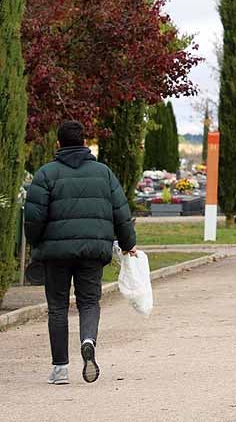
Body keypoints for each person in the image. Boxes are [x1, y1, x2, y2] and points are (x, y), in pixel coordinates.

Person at [24, 120, 137, 385]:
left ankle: (60, 369)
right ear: (85, 143)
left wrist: (35, 243)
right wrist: (127, 243)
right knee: (88, 302)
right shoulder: (104, 173)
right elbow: (121, 213)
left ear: (58, 144)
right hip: (92, 251)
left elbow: (33, 218)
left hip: (55, 253)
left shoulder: (46, 174)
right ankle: (88, 341)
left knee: (57, 308)